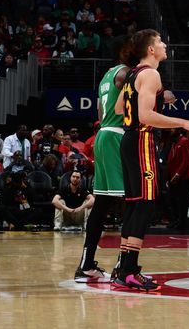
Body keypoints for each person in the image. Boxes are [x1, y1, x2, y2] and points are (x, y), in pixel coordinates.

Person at [113, 29, 189, 291]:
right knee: (144, 205)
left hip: (128, 141)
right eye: (160, 42)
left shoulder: (132, 73)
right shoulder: (151, 73)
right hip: (141, 140)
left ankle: (124, 268)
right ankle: (129, 270)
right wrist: (183, 121)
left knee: (134, 205)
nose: (165, 45)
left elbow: (120, 108)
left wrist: (150, 96)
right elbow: (144, 115)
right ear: (151, 50)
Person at [74, 38, 133, 283]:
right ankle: (123, 266)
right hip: (117, 136)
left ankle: (86, 265)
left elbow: (99, 111)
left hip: (103, 134)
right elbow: (126, 86)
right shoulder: (125, 72)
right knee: (131, 199)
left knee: (102, 203)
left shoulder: (106, 76)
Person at [166, 128, 189, 230]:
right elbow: (170, 162)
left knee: (182, 202)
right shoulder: (174, 142)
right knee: (173, 201)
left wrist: (178, 174)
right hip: (173, 179)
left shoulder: (184, 141)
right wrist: (168, 178)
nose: (171, 130)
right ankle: (176, 220)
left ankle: (182, 222)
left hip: (183, 178)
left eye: (173, 128)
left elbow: (186, 160)